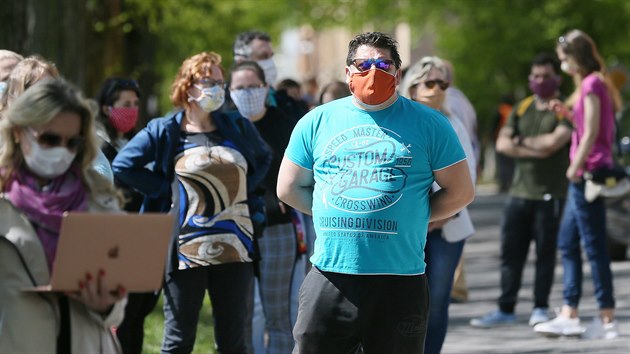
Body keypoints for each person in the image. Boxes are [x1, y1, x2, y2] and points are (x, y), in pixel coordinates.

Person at [277, 32, 475, 354]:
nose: (373, 71)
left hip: (399, 280)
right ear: (347, 73)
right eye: (363, 64)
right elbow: (287, 187)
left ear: (397, 74)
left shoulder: (431, 124)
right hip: (331, 276)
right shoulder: (316, 121)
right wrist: (337, 214)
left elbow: (461, 191)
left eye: (383, 64)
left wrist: (416, 215)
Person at [112, 51, 271, 353]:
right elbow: (123, 165)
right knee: (178, 340)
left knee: (233, 342)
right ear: (188, 85)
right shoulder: (166, 130)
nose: (217, 89)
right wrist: (166, 189)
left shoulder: (236, 126)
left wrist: (240, 188)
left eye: (220, 83)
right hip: (185, 249)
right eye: (209, 81)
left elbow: (263, 158)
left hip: (236, 248)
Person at [0, 78, 126, 353]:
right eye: (50, 139)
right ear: (20, 133)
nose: (61, 150)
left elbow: (118, 310)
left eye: (73, 143)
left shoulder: (99, 198)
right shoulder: (4, 200)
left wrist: (106, 304)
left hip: (87, 345)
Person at [470, 53, 572, 329]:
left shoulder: (563, 109)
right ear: (530, 80)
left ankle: (540, 307)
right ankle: (506, 308)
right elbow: (503, 144)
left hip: (550, 194)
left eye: (546, 76)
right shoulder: (522, 107)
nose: (541, 81)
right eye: (536, 76)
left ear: (557, 79)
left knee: (545, 254)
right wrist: (533, 146)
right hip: (519, 193)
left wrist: (521, 142)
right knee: (511, 253)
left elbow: (554, 142)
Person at [533, 29, 622, 340]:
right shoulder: (588, 85)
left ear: (575, 57)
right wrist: (565, 112)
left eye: (563, 60)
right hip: (583, 175)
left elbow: (591, 132)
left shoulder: (593, 83)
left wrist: (574, 167)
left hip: (586, 175)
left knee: (592, 246)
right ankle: (570, 311)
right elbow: (585, 123)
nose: (562, 65)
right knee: (569, 243)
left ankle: (606, 318)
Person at [399, 55, 477, 354]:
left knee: (437, 302)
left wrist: (437, 217)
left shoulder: (452, 123)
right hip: (406, 229)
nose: (437, 89)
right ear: (413, 86)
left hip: (447, 228)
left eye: (443, 83)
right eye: (429, 82)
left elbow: (467, 178)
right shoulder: (400, 122)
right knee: (406, 303)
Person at [229, 61, 305, 354]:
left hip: (277, 229)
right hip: (235, 230)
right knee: (242, 315)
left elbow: (304, 174)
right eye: (240, 88)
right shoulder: (225, 126)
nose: (247, 93)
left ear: (265, 88)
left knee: (279, 315)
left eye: (253, 86)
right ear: (230, 91)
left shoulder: (286, 125)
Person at [95, 77, 154, 354]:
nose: (131, 110)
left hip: (143, 241)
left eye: (134, 104)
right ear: (107, 108)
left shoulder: (140, 144)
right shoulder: (95, 146)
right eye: (124, 104)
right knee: (118, 320)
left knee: (137, 316)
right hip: (112, 245)